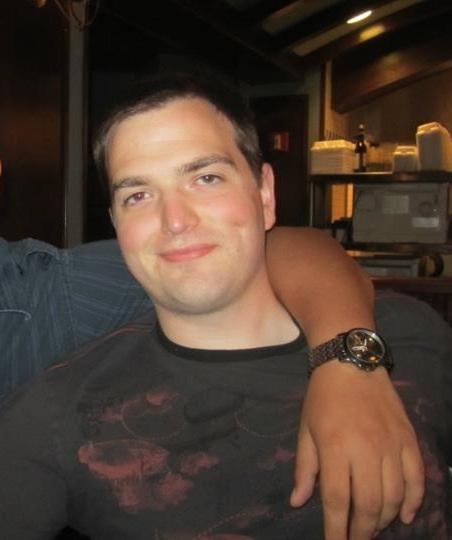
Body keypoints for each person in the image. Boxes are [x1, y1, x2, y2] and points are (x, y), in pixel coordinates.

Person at [0, 72, 448, 539]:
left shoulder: (410, 333)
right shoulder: (54, 416)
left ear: (265, 194)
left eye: (206, 178)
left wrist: (346, 356)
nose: (175, 220)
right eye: (138, 195)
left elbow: (295, 246)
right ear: (116, 224)